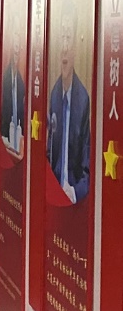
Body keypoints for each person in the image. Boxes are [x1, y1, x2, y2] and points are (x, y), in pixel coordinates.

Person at [47, 12, 90, 204]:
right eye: (61, 37)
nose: (64, 47)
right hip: (52, 193)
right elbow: (48, 154)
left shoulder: (83, 101)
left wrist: (74, 192)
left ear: (76, 48)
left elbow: (88, 172)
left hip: (74, 199)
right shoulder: (54, 95)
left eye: (69, 38)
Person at [0, 31, 26, 153]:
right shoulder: (5, 79)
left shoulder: (20, 82)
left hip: (17, 136)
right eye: (15, 48)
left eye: (18, 49)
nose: (17, 52)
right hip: (5, 136)